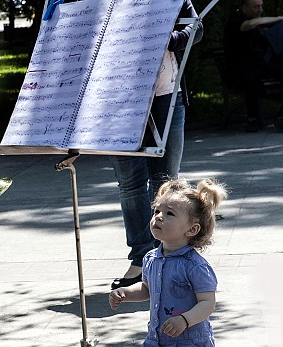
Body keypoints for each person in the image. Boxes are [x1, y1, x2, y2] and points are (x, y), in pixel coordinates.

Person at [109, 0, 203, 290]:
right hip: (118, 99)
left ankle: (169, 257)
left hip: (166, 97)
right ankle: (141, 259)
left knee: (166, 182)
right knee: (130, 183)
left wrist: (171, 39)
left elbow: (196, 27)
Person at [109, 178, 227, 346]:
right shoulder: (151, 258)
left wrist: (185, 320)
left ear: (192, 229)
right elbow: (148, 288)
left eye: (169, 213)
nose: (158, 217)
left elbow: (207, 303)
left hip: (189, 340)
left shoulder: (195, 265)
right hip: (156, 338)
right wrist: (126, 293)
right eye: (157, 211)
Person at [223, 0, 283, 132]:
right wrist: (282, 18)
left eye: (261, 6)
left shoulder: (256, 21)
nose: (260, 10)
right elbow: (250, 25)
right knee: (252, 78)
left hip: (258, 67)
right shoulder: (236, 21)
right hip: (241, 71)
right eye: (256, 7)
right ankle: (252, 119)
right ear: (244, 7)